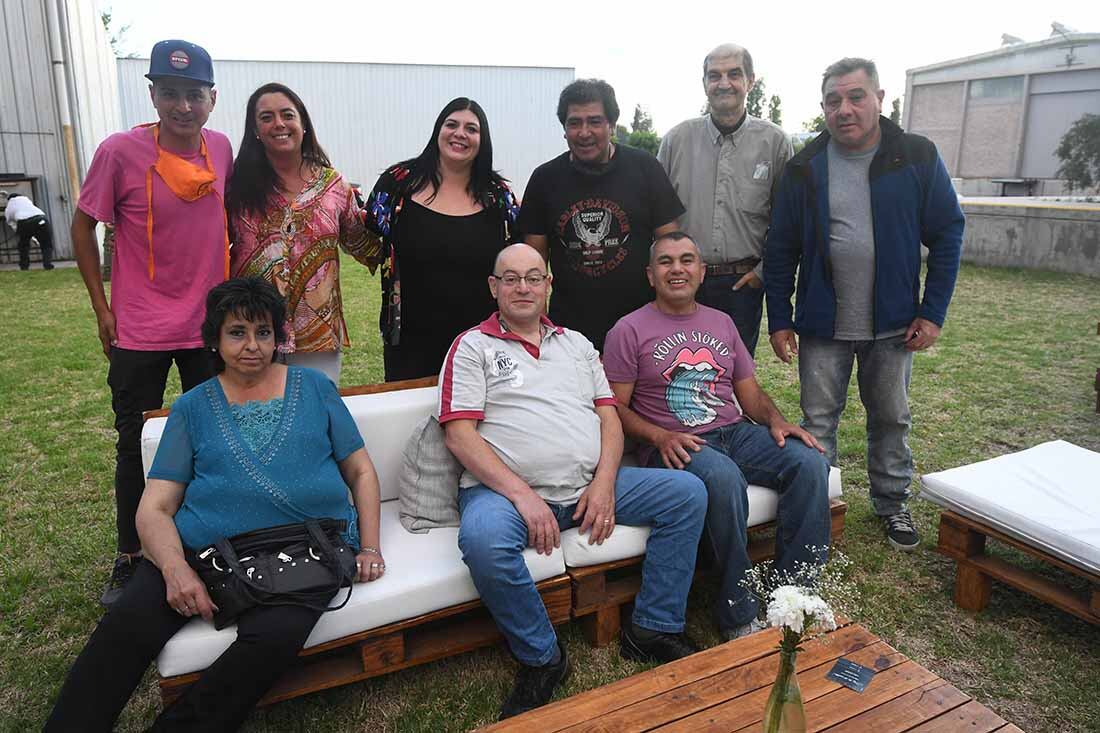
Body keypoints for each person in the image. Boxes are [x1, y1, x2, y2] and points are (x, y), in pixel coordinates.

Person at [46, 278, 385, 732]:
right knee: (124, 627)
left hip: (303, 552)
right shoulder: (192, 408)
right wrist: (173, 569)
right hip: (202, 550)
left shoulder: (316, 389)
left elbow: (361, 471)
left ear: (278, 337)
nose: (252, 346)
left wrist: (370, 547)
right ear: (215, 339)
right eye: (237, 332)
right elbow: (155, 508)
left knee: (272, 640)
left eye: (263, 332)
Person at [439, 243, 707, 719]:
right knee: (482, 540)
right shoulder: (472, 346)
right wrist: (524, 497)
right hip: (505, 494)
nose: (523, 287)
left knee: (686, 494)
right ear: (493, 287)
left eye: (533, 277)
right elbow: (460, 437)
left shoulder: (578, 344)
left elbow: (609, 418)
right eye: (511, 278)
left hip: (587, 486)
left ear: (548, 285)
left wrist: (605, 484)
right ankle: (543, 657)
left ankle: (652, 626)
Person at [764, 57, 964, 551]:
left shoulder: (915, 155)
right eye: (833, 100)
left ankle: (892, 503)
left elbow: (948, 232)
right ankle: (820, 508)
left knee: (891, 417)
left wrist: (933, 311)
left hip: (894, 323)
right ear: (823, 108)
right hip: (821, 324)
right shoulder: (804, 166)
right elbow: (780, 247)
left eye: (856, 97)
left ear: (879, 98)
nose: (845, 109)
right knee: (818, 422)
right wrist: (780, 317)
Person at [603, 231, 831, 641]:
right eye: (666, 261)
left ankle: (793, 592)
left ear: (702, 271)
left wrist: (776, 421)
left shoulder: (721, 322)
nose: (678, 269)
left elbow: (749, 392)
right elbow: (613, 407)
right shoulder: (628, 330)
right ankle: (737, 611)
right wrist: (658, 437)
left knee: (810, 461)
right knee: (722, 477)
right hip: (673, 444)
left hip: (733, 432)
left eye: (687, 260)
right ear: (650, 274)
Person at [71, 39, 234, 606]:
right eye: (170, 93)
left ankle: (203, 541)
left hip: (206, 328)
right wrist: (101, 306)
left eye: (194, 95)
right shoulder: (120, 151)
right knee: (134, 441)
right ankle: (130, 554)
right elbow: (82, 227)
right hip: (138, 329)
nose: (182, 106)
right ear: (153, 95)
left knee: (210, 439)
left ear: (212, 98)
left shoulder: (222, 149)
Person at [519, 79, 685, 351]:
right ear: (564, 129)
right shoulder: (544, 179)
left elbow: (671, 247)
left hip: (640, 326)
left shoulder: (645, 169)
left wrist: (671, 314)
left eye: (595, 121)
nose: (584, 132)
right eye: (575, 123)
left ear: (611, 125)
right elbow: (532, 263)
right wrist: (537, 325)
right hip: (569, 331)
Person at [362, 97, 519, 381]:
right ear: (438, 130)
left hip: (481, 342)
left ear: (483, 140)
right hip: (409, 341)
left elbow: (517, 257)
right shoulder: (397, 184)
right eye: (452, 124)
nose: (460, 133)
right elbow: (367, 238)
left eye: (472, 128)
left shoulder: (499, 196)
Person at [227, 82, 372, 385]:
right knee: (256, 419)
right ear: (255, 129)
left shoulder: (333, 185)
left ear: (303, 123)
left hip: (316, 334)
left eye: (287, 115)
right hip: (251, 330)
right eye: (266, 117)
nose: (279, 124)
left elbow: (362, 241)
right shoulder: (235, 184)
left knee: (313, 417)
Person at [657, 44, 791, 356]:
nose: (724, 83)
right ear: (704, 82)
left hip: (742, 286)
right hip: (682, 280)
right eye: (714, 75)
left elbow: (788, 221)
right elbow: (654, 213)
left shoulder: (775, 143)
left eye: (734, 74)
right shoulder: (676, 141)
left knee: (733, 380)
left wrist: (762, 274)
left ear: (751, 81)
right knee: (675, 370)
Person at [3, 192, 54, 269]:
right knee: (46, 243)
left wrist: (18, 231)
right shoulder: (26, 200)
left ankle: (24, 266)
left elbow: (10, 222)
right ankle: (48, 264)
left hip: (23, 222)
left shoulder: (9, 207)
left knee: (24, 246)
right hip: (41, 219)